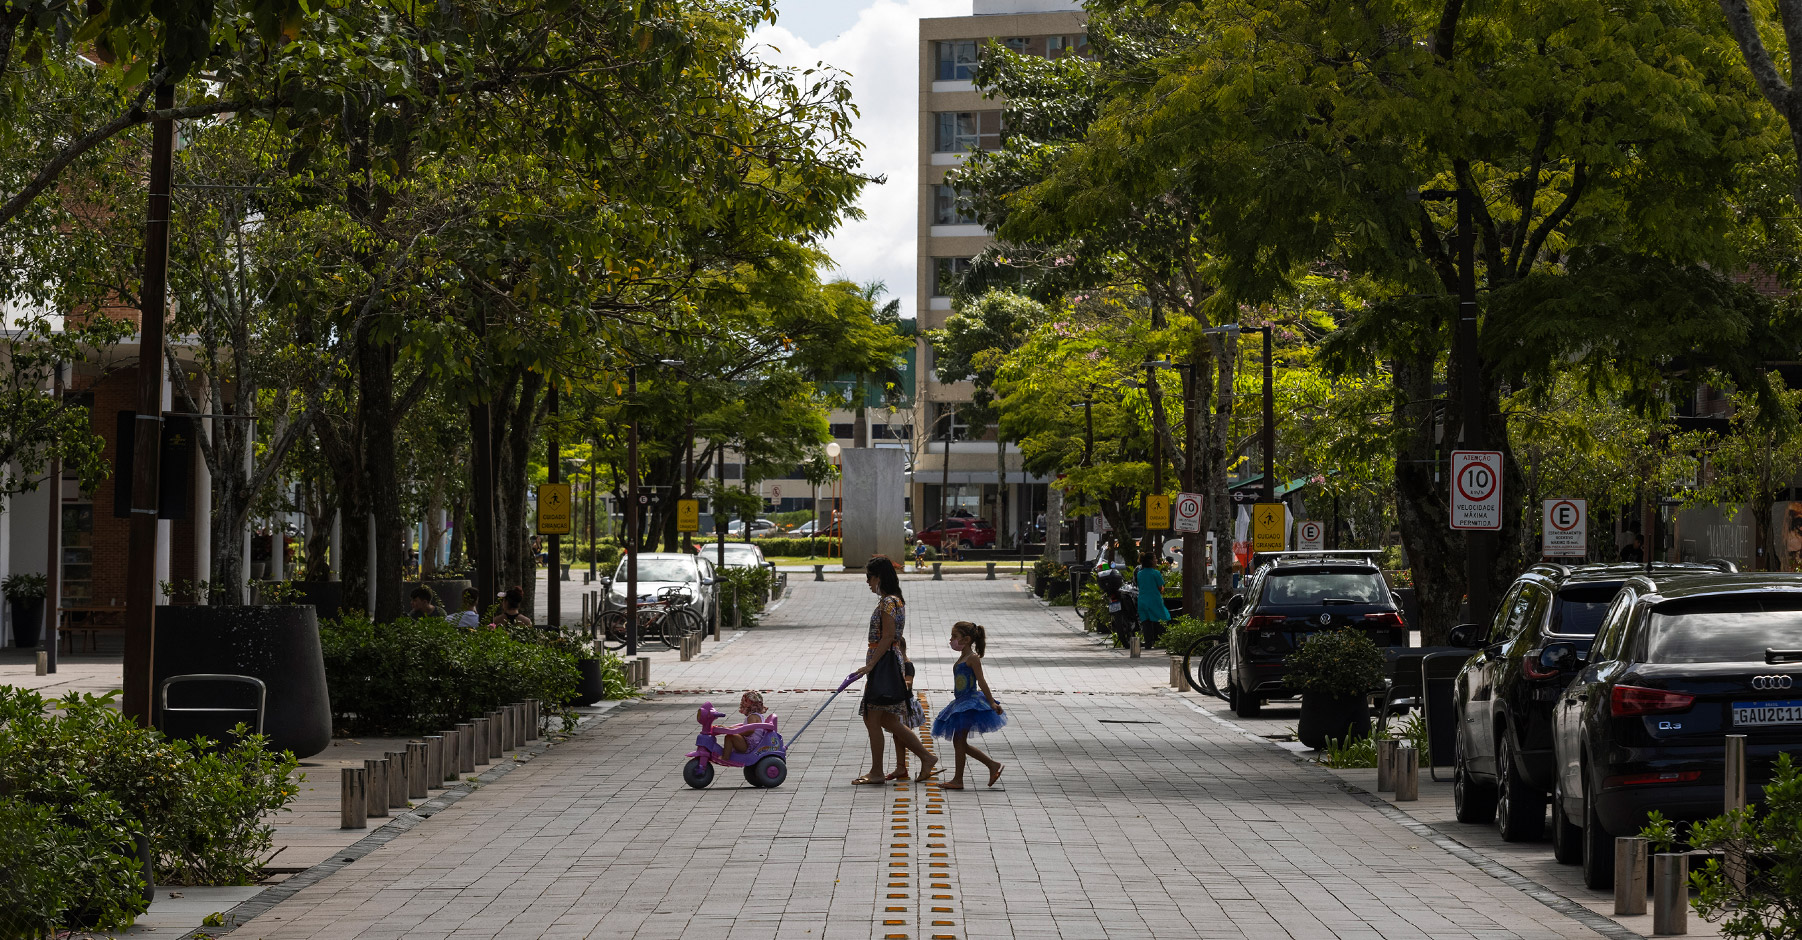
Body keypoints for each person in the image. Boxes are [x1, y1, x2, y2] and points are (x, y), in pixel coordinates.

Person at [852, 555, 938, 785]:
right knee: (888, 720)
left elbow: (889, 636)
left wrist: (871, 665)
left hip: (884, 664)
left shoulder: (889, 602)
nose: (867, 582)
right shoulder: (895, 600)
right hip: (887, 662)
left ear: (879, 577)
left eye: (869, 577)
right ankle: (926, 757)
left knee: (872, 717)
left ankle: (878, 771)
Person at [931, 621, 1005, 789]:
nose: (951, 640)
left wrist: (991, 702)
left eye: (955, 636)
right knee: (959, 742)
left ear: (966, 639)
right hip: (960, 702)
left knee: (959, 741)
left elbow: (982, 681)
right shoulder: (963, 657)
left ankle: (959, 779)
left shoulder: (972, 658)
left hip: (969, 704)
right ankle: (991, 765)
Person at [884, 655, 927, 781]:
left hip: (905, 704)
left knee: (901, 734)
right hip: (897, 702)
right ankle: (901, 767)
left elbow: (909, 682)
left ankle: (925, 757)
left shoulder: (907, 665)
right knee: (897, 736)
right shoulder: (894, 665)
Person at [720, 691, 772, 761]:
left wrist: (736, 733)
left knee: (729, 737)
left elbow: (750, 730)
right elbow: (744, 727)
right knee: (732, 735)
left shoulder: (752, 716)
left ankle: (725, 758)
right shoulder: (757, 715)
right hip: (752, 743)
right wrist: (729, 728)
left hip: (750, 745)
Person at [1135, 556, 1171, 646]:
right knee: (1162, 619)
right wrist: (1162, 590)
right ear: (1151, 562)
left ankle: (1148, 643)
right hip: (1154, 600)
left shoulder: (1139, 573)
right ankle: (1161, 641)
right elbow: (1160, 587)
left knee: (1146, 622)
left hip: (1142, 601)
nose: (1157, 560)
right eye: (1155, 559)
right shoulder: (1156, 573)